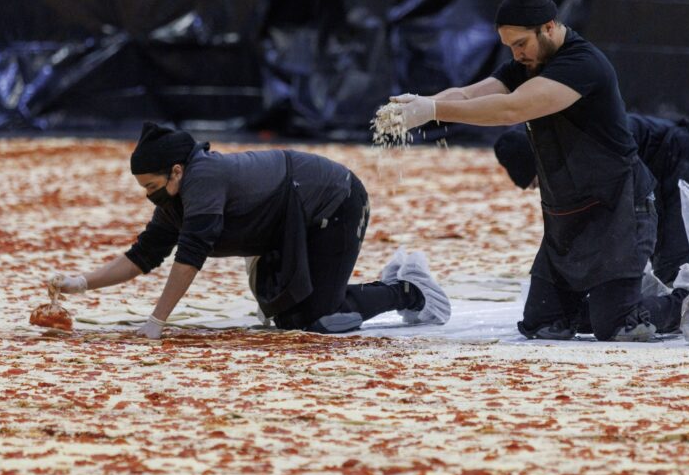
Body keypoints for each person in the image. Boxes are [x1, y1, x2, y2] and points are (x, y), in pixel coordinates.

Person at [391, 0, 683, 342]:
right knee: (542, 325)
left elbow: (512, 109)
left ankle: (684, 299)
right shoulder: (527, 64)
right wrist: (417, 104)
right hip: (568, 212)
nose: (516, 54)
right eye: (509, 46)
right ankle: (608, 299)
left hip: (619, 207)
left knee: (619, 325)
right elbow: (468, 96)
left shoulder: (582, 64)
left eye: (521, 43)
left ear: (548, 27)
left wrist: (433, 110)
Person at [48, 122, 450, 338]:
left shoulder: (202, 177)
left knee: (322, 320)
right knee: (290, 318)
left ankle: (409, 291)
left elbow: (191, 256)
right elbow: (144, 255)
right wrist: (80, 283)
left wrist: (158, 320)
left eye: (152, 187)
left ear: (176, 170)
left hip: (335, 203)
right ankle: (386, 288)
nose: (150, 198)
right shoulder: (173, 197)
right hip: (287, 225)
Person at [494, 114, 689, 286]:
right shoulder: (569, 136)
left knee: (681, 272)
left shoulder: (585, 149)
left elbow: (628, 208)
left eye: (539, 181)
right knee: (688, 269)